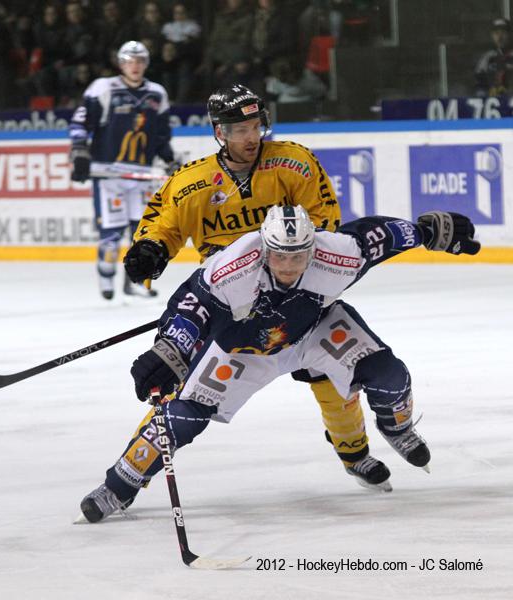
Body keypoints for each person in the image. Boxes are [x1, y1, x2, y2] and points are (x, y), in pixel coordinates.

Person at [80, 205, 480, 522]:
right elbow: (193, 304)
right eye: (279, 257)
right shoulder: (233, 267)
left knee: (390, 375)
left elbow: (381, 236)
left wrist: (430, 232)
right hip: (241, 349)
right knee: (182, 416)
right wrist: (170, 349)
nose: (289, 267)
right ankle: (119, 485)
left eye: (299, 256)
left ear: (313, 248)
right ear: (263, 248)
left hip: (312, 330)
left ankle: (399, 428)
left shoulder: (337, 254)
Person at [123, 84, 388, 491]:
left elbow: (325, 227)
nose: (251, 137)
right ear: (219, 133)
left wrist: (291, 279)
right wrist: (151, 249)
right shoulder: (190, 183)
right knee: (177, 384)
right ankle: (130, 471)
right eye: (239, 129)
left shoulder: (293, 164)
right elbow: (162, 226)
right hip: (226, 306)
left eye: (255, 125)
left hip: (297, 294)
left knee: (333, 371)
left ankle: (354, 451)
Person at [69, 40, 177, 300]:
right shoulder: (103, 88)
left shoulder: (157, 94)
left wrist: (170, 160)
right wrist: (80, 152)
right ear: (121, 64)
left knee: (142, 233)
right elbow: (80, 122)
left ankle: (136, 280)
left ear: (146, 64)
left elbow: (161, 135)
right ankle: (106, 277)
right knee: (111, 234)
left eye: (140, 61)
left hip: (140, 175)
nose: (135, 66)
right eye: (130, 61)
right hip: (108, 175)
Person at [475, 18, 513, 97]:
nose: (500, 37)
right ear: (492, 36)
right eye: (496, 33)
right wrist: (488, 91)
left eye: (503, 32)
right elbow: (479, 83)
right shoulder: (487, 58)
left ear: (510, 34)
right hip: (493, 104)